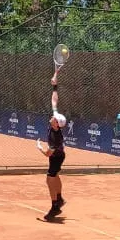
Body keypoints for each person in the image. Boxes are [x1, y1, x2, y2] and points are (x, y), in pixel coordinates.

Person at [41, 72, 66, 221]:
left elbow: (48, 154)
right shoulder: (55, 126)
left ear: (56, 124)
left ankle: (55, 206)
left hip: (56, 157)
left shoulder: (55, 138)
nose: (52, 116)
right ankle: (60, 199)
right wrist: (55, 86)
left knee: (50, 179)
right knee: (55, 176)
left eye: (54, 118)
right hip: (59, 155)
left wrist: (39, 147)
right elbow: (54, 101)